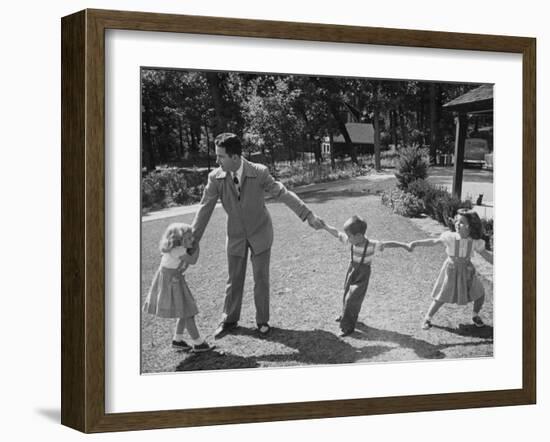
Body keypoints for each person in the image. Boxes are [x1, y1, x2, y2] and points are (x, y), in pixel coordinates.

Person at [191, 132, 324, 338]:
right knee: (234, 279)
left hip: (260, 232)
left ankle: (262, 321)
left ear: (235, 157)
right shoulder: (215, 178)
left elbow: (283, 193)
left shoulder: (259, 172)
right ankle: (229, 320)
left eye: (220, 156)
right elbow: (204, 209)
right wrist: (193, 239)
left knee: (261, 279)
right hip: (235, 236)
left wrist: (308, 215)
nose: (217, 161)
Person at [322, 215, 411, 337]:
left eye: (349, 236)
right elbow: (337, 233)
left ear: (358, 236)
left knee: (352, 299)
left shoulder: (371, 244)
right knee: (346, 293)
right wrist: (325, 226)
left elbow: (387, 244)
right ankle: (345, 315)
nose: (347, 238)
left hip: (362, 275)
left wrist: (403, 245)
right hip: (351, 270)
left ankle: (347, 327)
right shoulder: (350, 241)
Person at [409, 209, 493, 330]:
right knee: (442, 295)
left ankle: (475, 315)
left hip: (467, 271)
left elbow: (487, 256)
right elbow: (433, 241)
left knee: (480, 293)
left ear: (471, 225)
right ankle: (428, 318)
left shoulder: (475, 241)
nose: (458, 224)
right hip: (451, 270)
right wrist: (416, 243)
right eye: (457, 221)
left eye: (462, 222)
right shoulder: (450, 237)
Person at [143, 222, 213, 352]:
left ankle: (178, 340)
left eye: (191, 237)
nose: (192, 240)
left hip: (174, 280)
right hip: (172, 282)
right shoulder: (178, 250)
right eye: (188, 238)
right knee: (187, 313)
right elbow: (193, 261)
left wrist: (191, 244)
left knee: (184, 311)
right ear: (177, 240)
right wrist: (197, 247)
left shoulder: (176, 248)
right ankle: (198, 343)